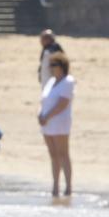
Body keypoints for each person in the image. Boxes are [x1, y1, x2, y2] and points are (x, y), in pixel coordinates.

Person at [39, 53, 76, 197]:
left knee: (63, 153)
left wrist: (47, 116)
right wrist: (40, 114)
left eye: (54, 65)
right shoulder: (50, 82)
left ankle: (68, 186)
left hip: (60, 121)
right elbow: (43, 100)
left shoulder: (68, 81)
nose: (51, 68)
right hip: (47, 122)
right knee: (53, 155)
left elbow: (63, 103)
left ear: (62, 66)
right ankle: (55, 185)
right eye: (50, 65)